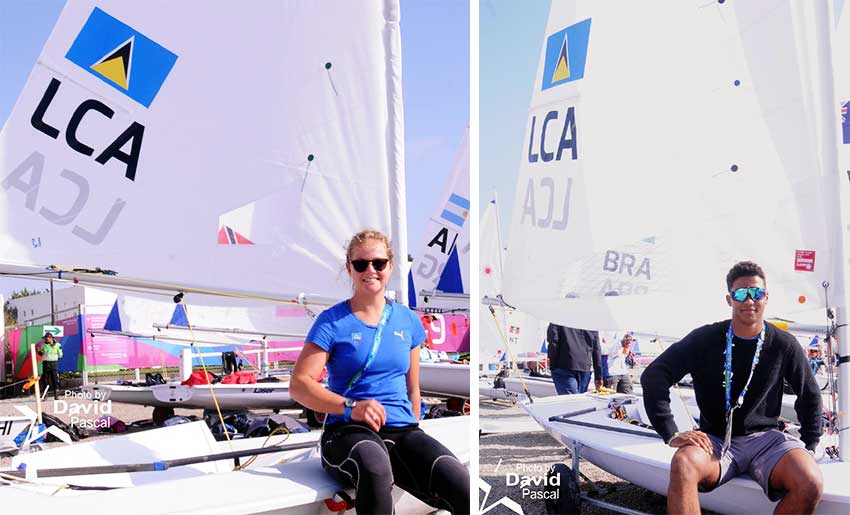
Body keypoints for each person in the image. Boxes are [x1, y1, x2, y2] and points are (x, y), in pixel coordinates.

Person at [290, 229, 469, 514]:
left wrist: (415, 435)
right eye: (361, 264)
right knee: (374, 466)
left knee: (460, 483)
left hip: (401, 431)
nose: (370, 270)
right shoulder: (331, 322)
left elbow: (413, 387)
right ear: (349, 268)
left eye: (378, 263)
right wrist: (350, 407)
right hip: (347, 430)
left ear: (391, 265)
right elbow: (299, 385)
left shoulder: (407, 320)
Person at [641, 261, 823, 514]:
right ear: (729, 299)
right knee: (683, 463)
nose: (749, 300)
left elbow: (810, 395)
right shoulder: (705, 338)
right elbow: (655, 375)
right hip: (714, 441)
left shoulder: (784, 344)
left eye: (756, 293)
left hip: (766, 441)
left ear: (766, 297)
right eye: (741, 293)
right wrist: (670, 432)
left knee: (810, 482)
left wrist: (810, 445)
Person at [546, 323, 603, 395]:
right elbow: (597, 349)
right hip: (584, 367)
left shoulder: (558, 318)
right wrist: (598, 376)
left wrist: (552, 365)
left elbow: (553, 341)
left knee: (571, 403)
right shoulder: (590, 321)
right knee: (579, 402)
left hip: (564, 365)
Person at [37, 332, 62, 399]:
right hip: (45, 363)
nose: (45, 339)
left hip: (53, 363)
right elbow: (41, 353)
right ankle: (45, 394)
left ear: (51, 338)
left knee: (55, 379)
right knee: (45, 379)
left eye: (46, 338)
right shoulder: (43, 345)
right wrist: (38, 351)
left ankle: (56, 394)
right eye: (44, 338)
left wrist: (55, 358)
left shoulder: (57, 345)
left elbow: (60, 355)